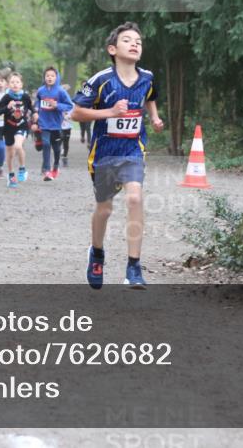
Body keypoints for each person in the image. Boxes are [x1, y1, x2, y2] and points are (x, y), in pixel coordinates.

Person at [71, 22, 164, 289]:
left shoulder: (147, 77)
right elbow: (76, 113)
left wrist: (155, 117)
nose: (135, 44)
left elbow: (151, 96)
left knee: (135, 198)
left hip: (133, 150)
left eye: (138, 41)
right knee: (105, 209)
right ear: (112, 49)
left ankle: (133, 267)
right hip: (104, 154)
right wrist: (109, 112)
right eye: (127, 40)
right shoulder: (101, 80)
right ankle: (97, 253)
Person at [33, 67, 73, 181]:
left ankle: (55, 166)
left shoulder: (61, 91)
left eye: (52, 76)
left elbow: (69, 105)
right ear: (44, 78)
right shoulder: (41, 90)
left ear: (56, 77)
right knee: (46, 144)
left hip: (56, 124)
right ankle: (46, 169)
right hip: (44, 122)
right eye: (47, 76)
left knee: (56, 148)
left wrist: (57, 105)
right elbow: (37, 102)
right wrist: (36, 111)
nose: (49, 78)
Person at [0, 72, 33, 188]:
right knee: (10, 154)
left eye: (17, 82)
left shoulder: (25, 97)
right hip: (8, 128)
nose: (15, 84)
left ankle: (22, 168)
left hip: (21, 126)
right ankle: (11, 175)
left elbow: (32, 108)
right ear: (8, 85)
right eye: (12, 82)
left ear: (21, 84)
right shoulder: (6, 97)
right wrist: (7, 107)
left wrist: (35, 114)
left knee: (18, 146)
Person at [60, 84, 73, 168]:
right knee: (59, 139)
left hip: (68, 126)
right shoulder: (58, 103)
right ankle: (57, 157)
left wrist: (69, 116)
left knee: (66, 142)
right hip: (58, 126)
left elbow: (74, 114)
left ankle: (65, 157)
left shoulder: (71, 103)